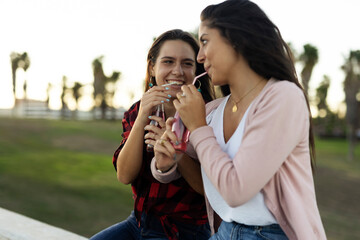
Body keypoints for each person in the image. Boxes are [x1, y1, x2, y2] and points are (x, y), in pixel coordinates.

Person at [151, 1, 327, 239]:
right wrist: (166, 160)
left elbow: (235, 191)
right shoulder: (213, 110)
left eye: (204, 41)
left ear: (236, 39)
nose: (200, 57)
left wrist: (199, 126)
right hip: (225, 230)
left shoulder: (283, 97)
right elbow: (182, 160)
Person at [90, 29, 215, 240]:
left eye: (187, 63)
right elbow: (124, 175)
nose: (177, 71)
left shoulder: (208, 114)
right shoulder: (138, 110)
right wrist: (142, 117)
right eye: (168, 62)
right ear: (152, 66)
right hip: (137, 222)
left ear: (197, 71)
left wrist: (176, 152)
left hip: (184, 231)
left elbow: (209, 189)